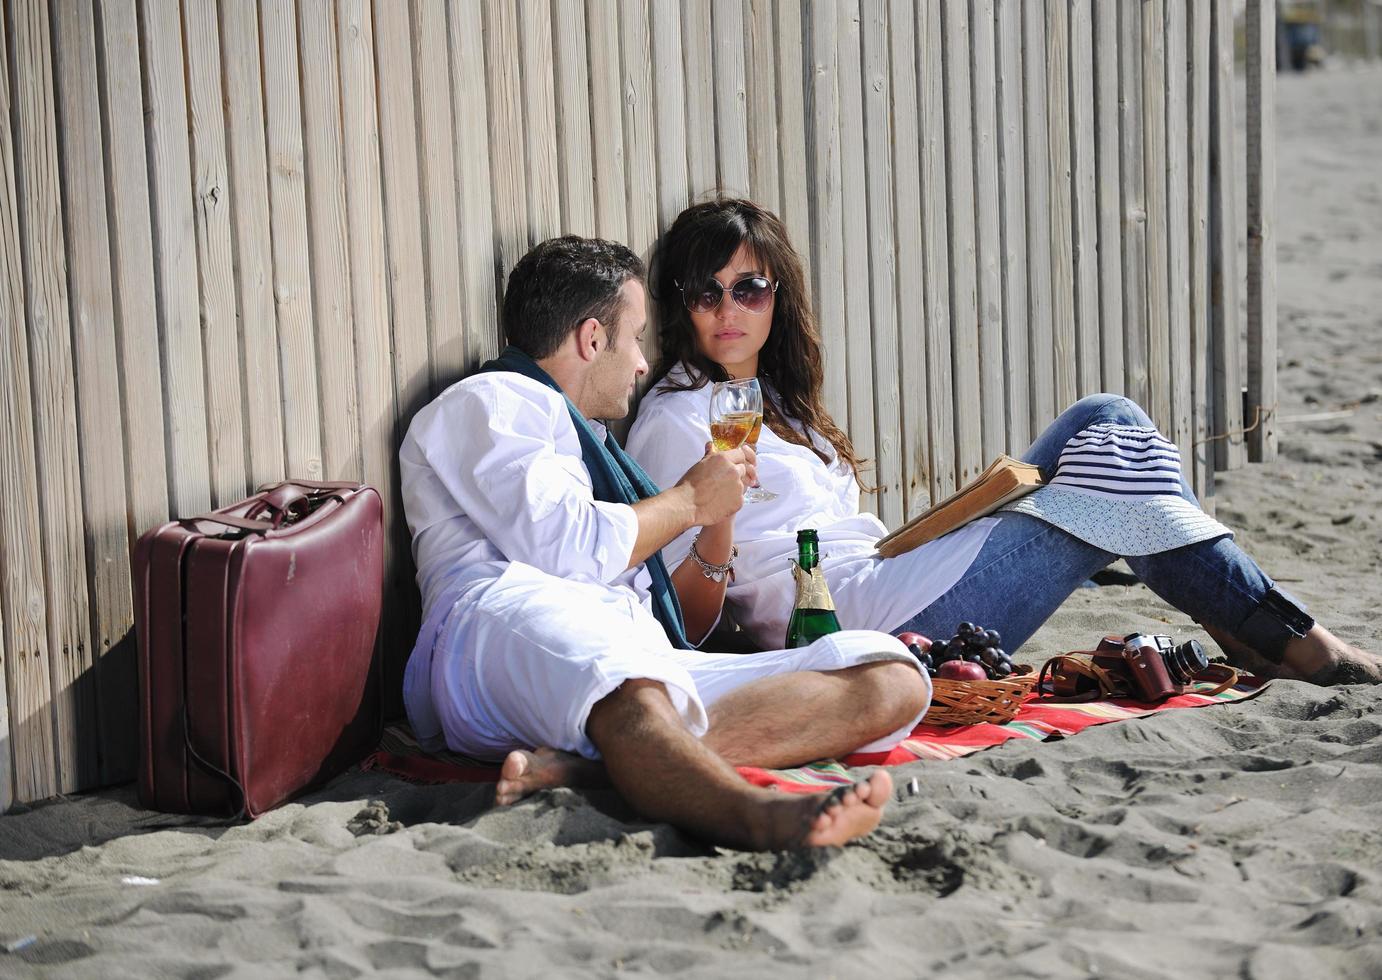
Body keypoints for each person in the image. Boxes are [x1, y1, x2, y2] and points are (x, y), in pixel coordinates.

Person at [626, 197, 1382, 687]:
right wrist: (716, 522)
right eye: (707, 291)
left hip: (895, 572)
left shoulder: (784, 403)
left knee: (1102, 415)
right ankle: (1282, 634)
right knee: (1115, 449)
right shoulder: (676, 419)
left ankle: (1248, 621)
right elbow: (685, 617)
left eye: (749, 287)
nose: (729, 309)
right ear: (680, 306)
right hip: (871, 632)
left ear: (777, 298)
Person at [398, 235, 933, 851]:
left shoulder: (591, 443)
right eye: (635, 338)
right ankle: (758, 817)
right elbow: (563, 548)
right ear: (592, 339)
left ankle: (595, 770)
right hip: (498, 625)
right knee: (628, 685)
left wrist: (714, 521)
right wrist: (685, 501)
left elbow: (674, 614)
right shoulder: (488, 401)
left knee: (889, 675)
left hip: (617, 643)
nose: (642, 362)